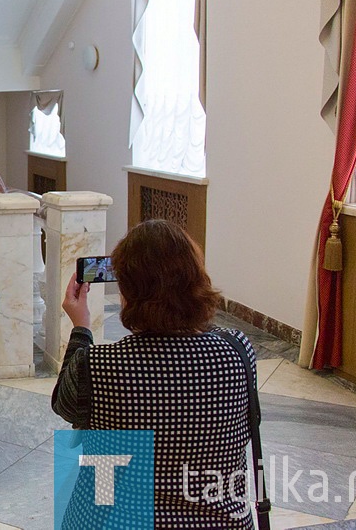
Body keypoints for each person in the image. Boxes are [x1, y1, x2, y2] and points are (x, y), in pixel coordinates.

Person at [52, 219, 256, 529]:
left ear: (128, 291)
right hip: (219, 521)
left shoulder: (98, 364)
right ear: (198, 278)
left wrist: (81, 327)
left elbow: (64, 405)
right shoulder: (238, 350)